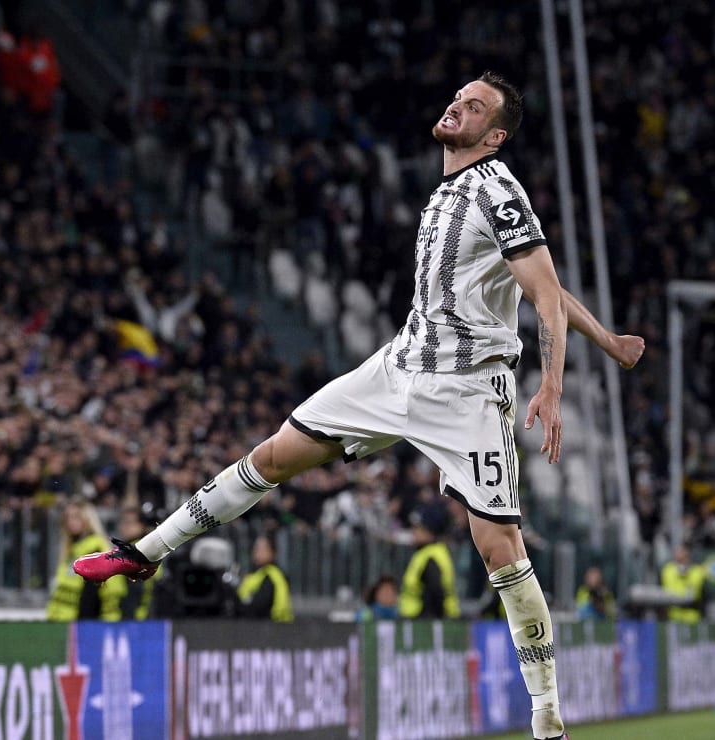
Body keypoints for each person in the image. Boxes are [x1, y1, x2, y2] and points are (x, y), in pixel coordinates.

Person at [75, 70, 645, 740]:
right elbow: (539, 280)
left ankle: (546, 716)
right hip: (399, 367)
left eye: (475, 106)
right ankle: (144, 552)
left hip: (467, 390)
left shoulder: (496, 187)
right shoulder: (449, 193)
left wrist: (552, 383)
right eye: (457, 96)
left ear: (494, 136)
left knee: (499, 550)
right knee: (272, 457)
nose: (457, 105)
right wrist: (609, 341)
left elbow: (544, 294)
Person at [47, 497, 126, 621]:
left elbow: (92, 594)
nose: (70, 522)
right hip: (63, 620)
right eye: (67, 517)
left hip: (82, 622)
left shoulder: (95, 548)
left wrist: (84, 625)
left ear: (87, 519)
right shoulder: (72, 548)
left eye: (76, 517)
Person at [399, 505, 460, 619]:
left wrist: (429, 618)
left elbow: (436, 591)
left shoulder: (431, 556)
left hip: (425, 619)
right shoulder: (427, 552)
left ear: (430, 532)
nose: (414, 532)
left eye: (419, 529)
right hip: (423, 618)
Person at [117, 504, 164, 620]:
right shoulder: (147, 547)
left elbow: (139, 590)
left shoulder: (137, 550)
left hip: (139, 617)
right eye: (122, 522)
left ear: (142, 525)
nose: (124, 527)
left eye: (129, 522)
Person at [235, 534, 294, 622]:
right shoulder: (257, 573)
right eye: (256, 548)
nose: (257, 551)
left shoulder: (273, 575)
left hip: (270, 626)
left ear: (273, 552)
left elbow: (260, 606)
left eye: (262, 549)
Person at [660, 544, 706, 624]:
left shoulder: (697, 571)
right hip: (673, 615)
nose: (679, 556)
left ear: (688, 555)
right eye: (677, 553)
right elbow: (668, 590)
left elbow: (693, 593)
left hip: (692, 615)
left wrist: (687, 574)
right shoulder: (668, 570)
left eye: (683, 553)